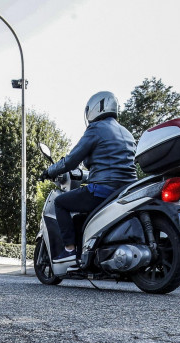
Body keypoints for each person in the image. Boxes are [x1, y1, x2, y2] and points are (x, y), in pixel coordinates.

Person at [42, 91, 138, 263]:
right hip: (126, 190)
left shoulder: (96, 129)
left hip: (103, 190)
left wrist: (50, 171)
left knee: (60, 203)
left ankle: (69, 250)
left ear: (94, 108)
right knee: (80, 218)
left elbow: (71, 161)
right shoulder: (127, 133)